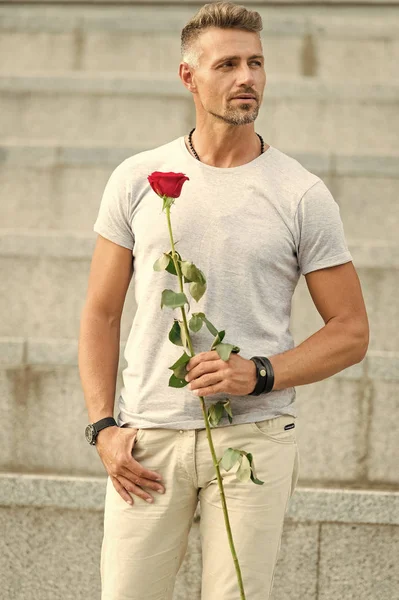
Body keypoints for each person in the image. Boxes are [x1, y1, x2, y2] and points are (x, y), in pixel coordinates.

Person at [78, 2, 369, 599]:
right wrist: (103, 427)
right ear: (189, 75)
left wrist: (258, 373)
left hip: (254, 440)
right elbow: (101, 313)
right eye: (229, 63)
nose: (247, 78)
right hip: (146, 443)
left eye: (257, 63)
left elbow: (350, 330)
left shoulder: (301, 194)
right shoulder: (137, 177)